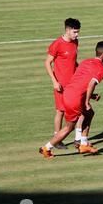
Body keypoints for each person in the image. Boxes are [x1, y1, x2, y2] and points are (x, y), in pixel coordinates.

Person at [39, 41, 103, 159]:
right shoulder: (102, 69)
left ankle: (83, 143)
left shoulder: (85, 62)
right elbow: (91, 85)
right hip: (75, 98)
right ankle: (46, 148)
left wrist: (91, 97)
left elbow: (81, 81)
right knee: (69, 127)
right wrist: (87, 101)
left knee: (89, 113)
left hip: (69, 93)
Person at [44, 18, 84, 149]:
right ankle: (57, 139)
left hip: (73, 84)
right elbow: (47, 63)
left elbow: (73, 61)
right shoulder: (57, 44)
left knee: (79, 110)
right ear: (67, 30)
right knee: (60, 111)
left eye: (78, 32)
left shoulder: (75, 42)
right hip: (61, 85)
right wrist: (55, 82)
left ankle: (78, 139)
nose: (77, 35)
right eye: (75, 32)